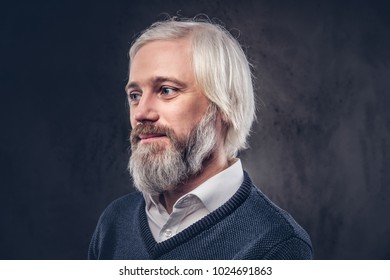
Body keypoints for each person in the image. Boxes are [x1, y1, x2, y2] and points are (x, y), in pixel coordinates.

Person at [88, 17, 313, 260]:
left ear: (224, 104)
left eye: (166, 90)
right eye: (135, 95)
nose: (141, 113)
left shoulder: (277, 244)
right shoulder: (115, 222)